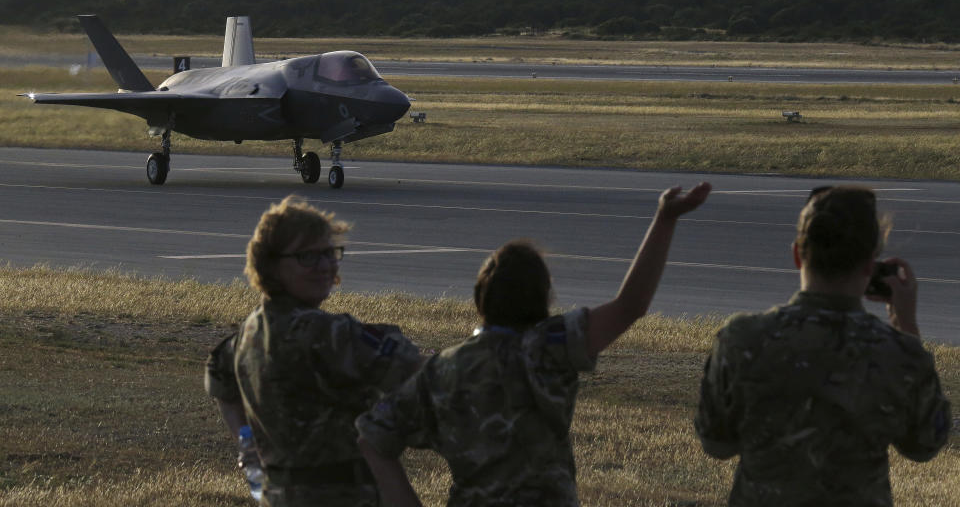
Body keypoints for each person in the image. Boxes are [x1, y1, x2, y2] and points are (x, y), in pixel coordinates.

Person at [355, 182, 712, 506]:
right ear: (545, 299)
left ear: (480, 301)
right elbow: (630, 306)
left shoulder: (441, 371)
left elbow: (372, 440)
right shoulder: (552, 347)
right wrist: (665, 219)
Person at [695, 185, 951, 506]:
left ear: (797, 254)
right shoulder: (896, 352)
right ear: (870, 266)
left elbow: (715, 443)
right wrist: (907, 328)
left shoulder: (742, 339)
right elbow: (925, 444)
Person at [204, 195, 423, 507]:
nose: (324, 266)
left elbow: (219, 378)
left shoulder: (250, 332)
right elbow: (417, 370)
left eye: (329, 253)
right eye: (307, 257)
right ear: (271, 264)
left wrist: (248, 446)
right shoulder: (328, 334)